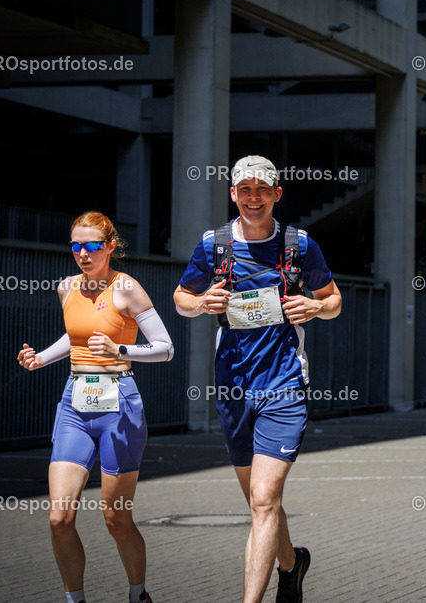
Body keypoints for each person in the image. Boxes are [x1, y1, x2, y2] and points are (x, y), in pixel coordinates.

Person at [173, 155, 342, 603]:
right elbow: (180, 299)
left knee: (265, 499)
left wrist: (315, 307)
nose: (253, 197)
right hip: (232, 386)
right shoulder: (215, 245)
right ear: (232, 193)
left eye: (261, 190)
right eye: (244, 189)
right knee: (260, 502)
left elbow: (334, 299)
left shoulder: (298, 245)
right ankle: (291, 563)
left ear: (276, 194)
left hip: (284, 382)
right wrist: (201, 301)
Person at [17, 211, 174, 603]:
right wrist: (42, 358)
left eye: (91, 245)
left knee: (116, 518)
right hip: (74, 403)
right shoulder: (66, 287)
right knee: (59, 517)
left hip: (118, 404)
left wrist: (121, 348)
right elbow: (76, 337)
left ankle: (138, 595)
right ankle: (75, 599)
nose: (83, 253)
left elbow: (166, 348)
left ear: (109, 246)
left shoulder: (127, 289)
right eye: (76, 246)